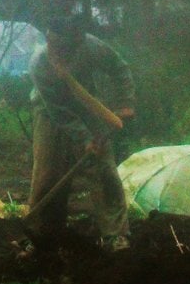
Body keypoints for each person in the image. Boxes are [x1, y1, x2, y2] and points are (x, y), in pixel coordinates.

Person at [26, 13, 135, 252]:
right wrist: (84, 139)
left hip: (88, 107)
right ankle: (43, 235)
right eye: (59, 48)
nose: (63, 54)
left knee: (103, 169)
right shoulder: (39, 63)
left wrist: (125, 102)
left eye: (69, 48)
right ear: (50, 41)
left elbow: (119, 68)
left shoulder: (91, 46)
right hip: (48, 111)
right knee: (47, 172)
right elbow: (59, 112)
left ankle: (115, 234)